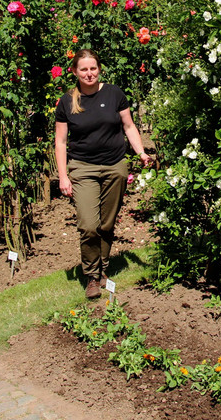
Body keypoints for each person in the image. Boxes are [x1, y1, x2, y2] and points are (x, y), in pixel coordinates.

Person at [55, 49, 152, 299]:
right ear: (75, 71)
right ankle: (91, 275)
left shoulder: (114, 94)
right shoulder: (67, 101)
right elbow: (60, 142)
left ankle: (103, 270)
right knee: (89, 225)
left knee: (107, 224)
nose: (89, 73)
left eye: (93, 68)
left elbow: (129, 126)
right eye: (84, 69)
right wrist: (63, 176)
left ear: (99, 69)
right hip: (83, 167)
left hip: (114, 166)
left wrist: (140, 152)